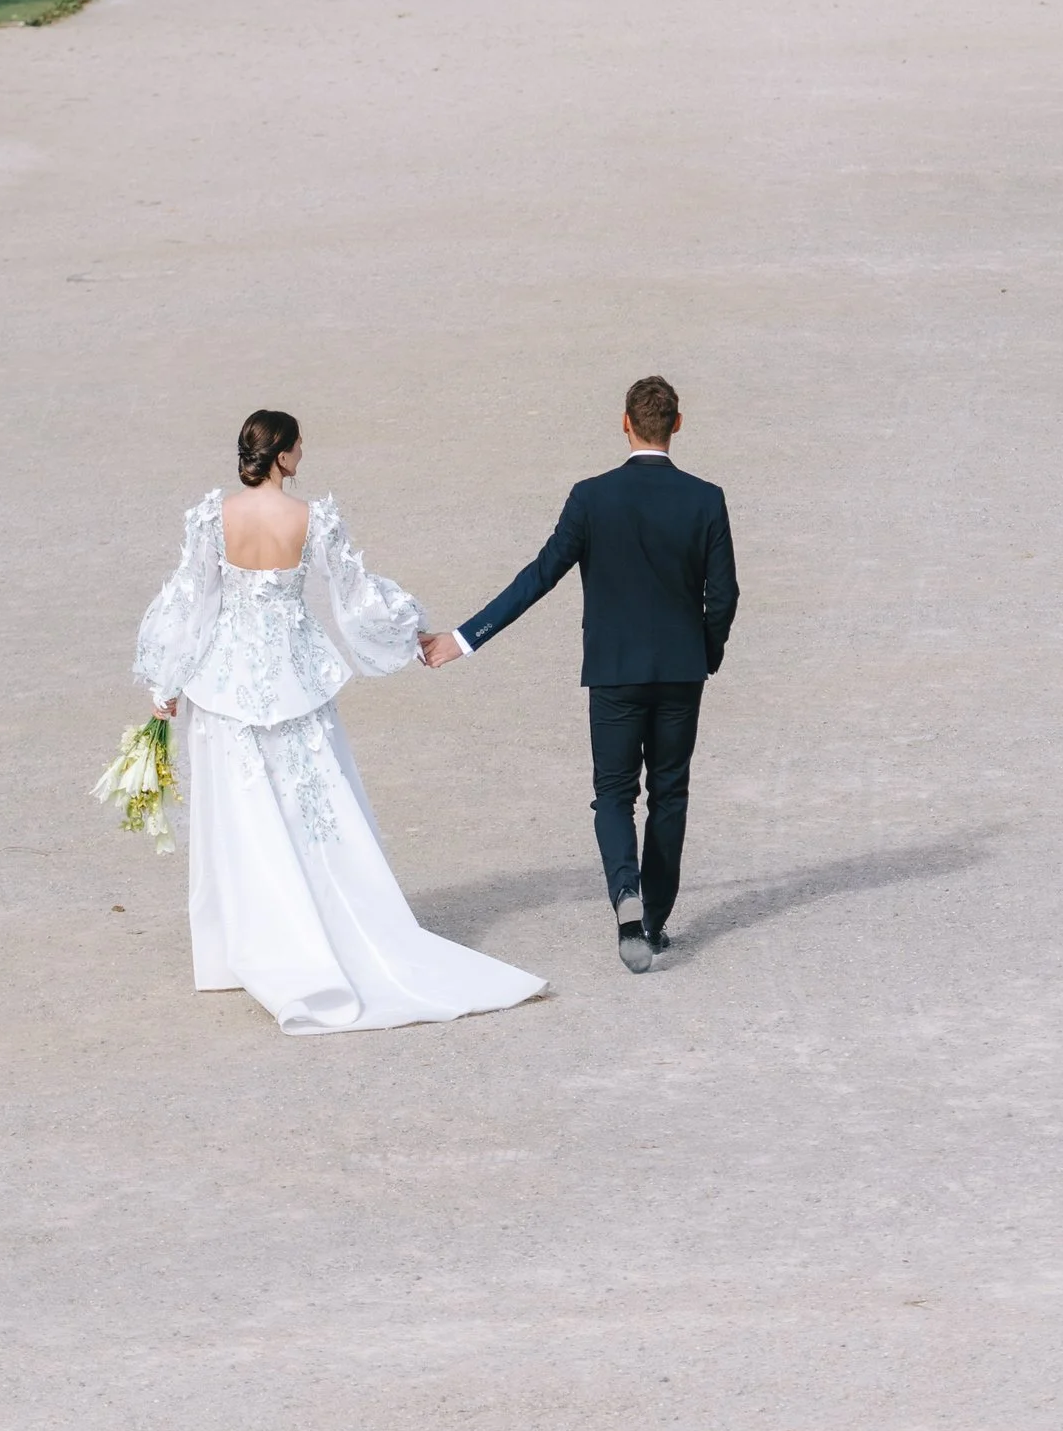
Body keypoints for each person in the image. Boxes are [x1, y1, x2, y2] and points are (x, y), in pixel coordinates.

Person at [135, 408, 544, 1036]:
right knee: (312, 809)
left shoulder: (211, 516)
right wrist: (415, 636)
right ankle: (323, 931)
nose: (306, 453)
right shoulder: (313, 519)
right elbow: (356, 598)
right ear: (284, 456)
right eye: (301, 445)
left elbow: (192, 599)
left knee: (239, 817)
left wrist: (166, 683)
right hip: (295, 680)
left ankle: (241, 949)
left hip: (224, 685)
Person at [423, 375, 737, 975]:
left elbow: (539, 576)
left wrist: (463, 639)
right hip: (679, 673)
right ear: (677, 424)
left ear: (625, 423)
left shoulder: (591, 498)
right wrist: (705, 654)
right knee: (669, 793)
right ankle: (656, 921)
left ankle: (627, 897)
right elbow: (724, 595)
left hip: (613, 674)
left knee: (615, 794)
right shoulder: (706, 499)